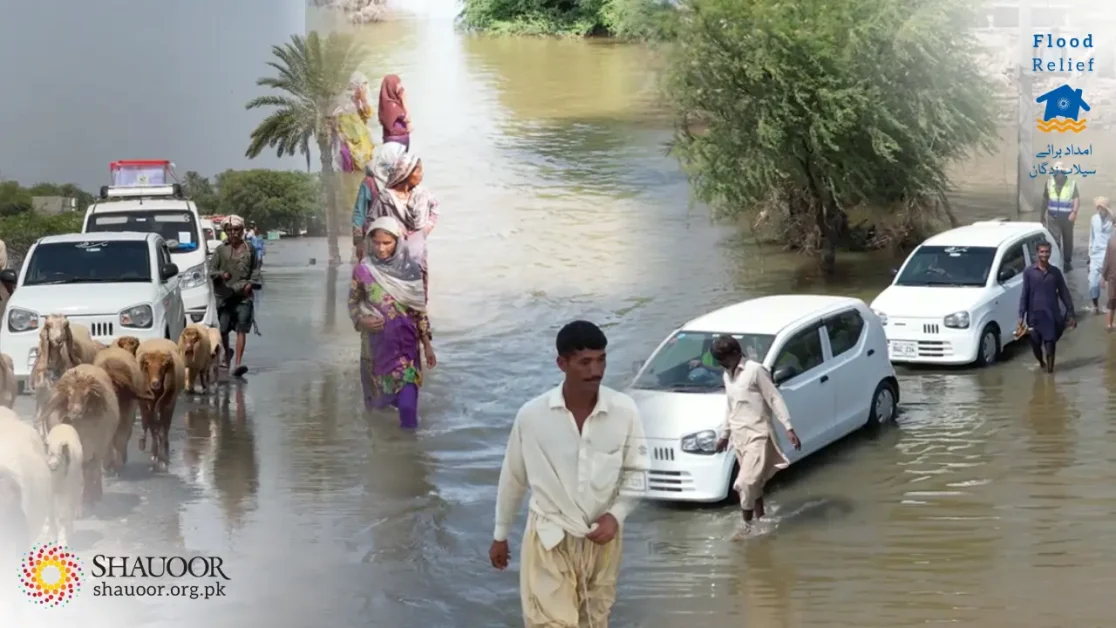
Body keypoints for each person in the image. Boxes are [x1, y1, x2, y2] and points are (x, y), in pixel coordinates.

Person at [490, 320, 649, 627]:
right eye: (585, 362)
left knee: (595, 620)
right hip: (550, 537)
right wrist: (500, 535)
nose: (596, 371)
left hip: (602, 540)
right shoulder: (532, 416)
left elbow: (638, 471)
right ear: (562, 364)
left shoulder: (624, 411)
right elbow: (513, 478)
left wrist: (615, 516)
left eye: (601, 360)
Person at [347, 217, 435, 429]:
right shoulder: (363, 271)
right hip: (375, 351)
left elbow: (419, 310)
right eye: (376, 242)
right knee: (378, 410)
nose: (381, 248)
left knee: (408, 409)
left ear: (398, 242)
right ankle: (386, 448)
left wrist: (427, 345)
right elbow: (353, 303)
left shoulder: (411, 270)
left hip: (405, 351)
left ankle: (410, 447)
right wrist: (362, 321)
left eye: (387, 243)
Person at [710, 335, 801, 529]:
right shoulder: (727, 375)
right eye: (718, 361)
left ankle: (746, 525)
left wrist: (788, 427)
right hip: (739, 437)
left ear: (735, 353)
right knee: (755, 483)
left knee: (745, 483)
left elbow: (774, 398)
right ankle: (761, 519)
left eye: (723, 359)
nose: (721, 364)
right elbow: (731, 407)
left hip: (758, 435)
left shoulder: (755, 370)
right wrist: (725, 435)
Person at [370, 151, 439, 299]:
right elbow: (371, 222)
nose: (421, 174)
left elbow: (435, 210)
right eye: (418, 170)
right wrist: (389, 233)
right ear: (406, 173)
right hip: (392, 256)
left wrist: (426, 229)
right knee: (393, 298)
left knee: (419, 295)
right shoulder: (385, 198)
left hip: (417, 256)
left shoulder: (423, 195)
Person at [209, 215, 261, 378]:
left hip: (243, 296)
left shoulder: (250, 249)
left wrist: (251, 283)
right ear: (226, 231)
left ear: (242, 230)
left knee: (241, 329)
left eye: (237, 229)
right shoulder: (220, 250)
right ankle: (227, 355)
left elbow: (256, 269)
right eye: (230, 230)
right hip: (224, 297)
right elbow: (211, 271)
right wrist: (221, 275)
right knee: (224, 329)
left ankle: (238, 363)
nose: (234, 233)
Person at [1018, 240, 1076, 373]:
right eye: (1042, 252)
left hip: (1051, 316)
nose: (1044, 255)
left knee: (1050, 347)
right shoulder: (1029, 272)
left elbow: (1064, 293)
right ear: (1037, 253)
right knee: (1035, 345)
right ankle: (1041, 362)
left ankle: (1050, 374)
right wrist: (1021, 316)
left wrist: (1071, 312)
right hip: (1034, 317)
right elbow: (1024, 295)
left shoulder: (1055, 273)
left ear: (1050, 253)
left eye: (1047, 252)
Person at [352, 142, 408, 260]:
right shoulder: (370, 183)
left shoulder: (402, 182)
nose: (403, 161)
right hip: (374, 240)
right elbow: (359, 213)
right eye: (401, 158)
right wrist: (359, 241)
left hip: (397, 239)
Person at [1041, 162, 1080, 270]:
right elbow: (1045, 200)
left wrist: (1074, 212)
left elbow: (1076, 198)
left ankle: (1067, 262)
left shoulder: (1071, 184)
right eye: (1056, 172)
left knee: (1068, 240)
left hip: (1068, 218)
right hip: (1053, 217)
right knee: (1054, 240)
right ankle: (1056, 262)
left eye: (1060, 172)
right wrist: (1041, 215)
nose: (1058, 174)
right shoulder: (1049, 183)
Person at [1087, 197, 1113, 312]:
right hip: (1095, 255)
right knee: (1093, 282)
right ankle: (1095, 306)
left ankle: (1109, 306)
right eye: (1098, 208)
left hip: (1109, 254)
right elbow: (1091, 237)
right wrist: (1089, 254)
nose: (1100, 210)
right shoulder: (1094, 219)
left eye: (1102, 208)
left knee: (1110, 283)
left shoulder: (1112, 220)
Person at [379, 74, 411, 148]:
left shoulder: (385, 103)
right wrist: (404, 100)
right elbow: (407, 118)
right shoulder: (392, 105)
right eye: (398, 84)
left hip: (392, 140)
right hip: (397, 142)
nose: (401, 87)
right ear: (391, 86)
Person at [1101, 226, 1116, 330]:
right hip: (1112, 277)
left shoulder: (1111, 241)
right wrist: (1103, 276)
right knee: (1111, 301)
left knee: (1111, 300)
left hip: (1112, 276)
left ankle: (1110, 324)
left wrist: (1103, 276)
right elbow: (1107, 260)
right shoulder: (1111, 242)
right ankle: (1109, 324)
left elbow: (1106, 260)